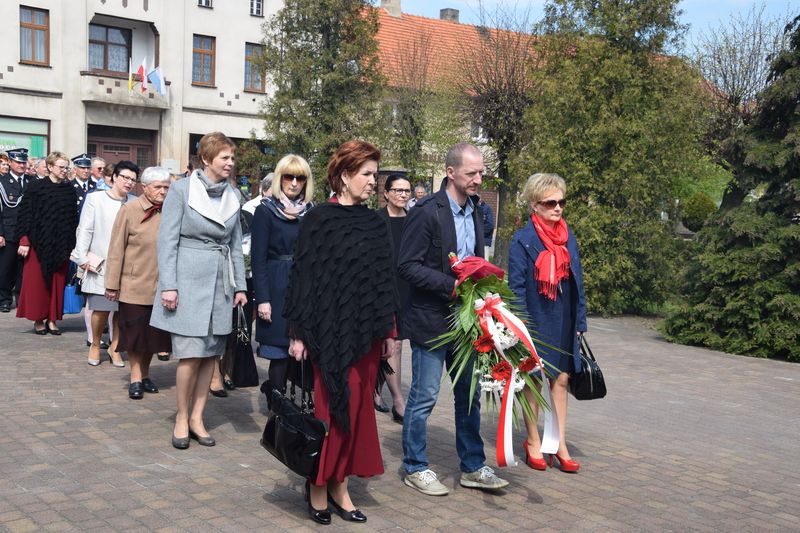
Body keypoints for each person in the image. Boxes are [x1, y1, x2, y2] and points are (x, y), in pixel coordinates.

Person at [284, 140, 398, 525]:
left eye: (375, 175)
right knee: (330, 410)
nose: (373, 182)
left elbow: (385, 281)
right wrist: (297, 332)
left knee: (360, 410)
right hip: (326, 332)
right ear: (345, 176)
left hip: (364, 334)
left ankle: (340, 486)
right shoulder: (319, 220)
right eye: (366, 174)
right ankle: (318, 485)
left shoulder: (375, 222)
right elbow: (304, 277)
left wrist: (388, 331)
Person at [398, 142, 508, 496]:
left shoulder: (477, 209)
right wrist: (454, 285)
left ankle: (473, 466)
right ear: (450, 172)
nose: (479, 179)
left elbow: (475, 260)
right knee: (425, 394)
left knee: (469, 395)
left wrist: (483, 292)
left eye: (481, 172)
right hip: (431, 320)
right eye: (471, 173)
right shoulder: (427, 211)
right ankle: (415, 466)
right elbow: (408, 266)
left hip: (467, 322)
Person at [150, 132, 247, 450]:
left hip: (220, 283)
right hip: (188, 280)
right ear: (206, 159)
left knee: (211, 357)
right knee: (190, 356)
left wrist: (240, 287)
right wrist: (169, 285)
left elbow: (234, 245)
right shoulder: (180, 190)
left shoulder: (234, 195)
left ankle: (198, 418)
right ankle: (181, 417)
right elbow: (167, 241)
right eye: (225, 157)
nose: (230, 163)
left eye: (232, 158)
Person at [508, 173, 587, 473]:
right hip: (535, 318)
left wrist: (580, 320)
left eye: (561, 202)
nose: (558, 208)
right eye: (550, 202)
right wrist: (519, 324)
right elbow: (515, 286)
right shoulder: (522, 240)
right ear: (535, 205)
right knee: (534, 379)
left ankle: (559, 443)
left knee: (562, 380)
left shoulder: (569, 237)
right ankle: (532, 440)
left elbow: (579, 282)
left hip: (563, 317)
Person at [104, 166, 173, 400]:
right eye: (158, 187)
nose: (163, 192)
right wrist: (112, 284)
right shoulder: (130, 210)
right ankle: (135, 377)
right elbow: (116, 248)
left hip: (162, 285)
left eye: (166, 187)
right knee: (134, 334)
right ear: (144, 187)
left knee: (154, 336)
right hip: (133, 284)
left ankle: (145, 374)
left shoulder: (172, 210)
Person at [252, 156, 313, 394]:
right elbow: (258, 259)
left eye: (300, 177)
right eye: (289, 176)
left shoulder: (311, 211)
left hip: (304, 286)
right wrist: (263, 299)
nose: (295, 183)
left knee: (303, 350)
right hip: (276, 286)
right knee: (279, 352)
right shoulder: (265, 211)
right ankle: (276, 407)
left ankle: (296, 410)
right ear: (280, 178)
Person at [72, 160, 138, 366]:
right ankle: (94, 344)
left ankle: (115, 347)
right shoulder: (96, 199)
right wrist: (81, 256)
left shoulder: (135, 202)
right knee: (100, 308)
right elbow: (86, 229)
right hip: (101, 262)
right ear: (114, 178)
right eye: (125, 177)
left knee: (121, 310)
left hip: (128, 266)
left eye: (133, 180)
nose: (128, 182)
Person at [14, 152, 78, 334]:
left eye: (66, 167)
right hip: (38, 243)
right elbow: (25, 215)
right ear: (50, 167)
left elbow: (73, 220)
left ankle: (52, 319)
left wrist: (72, 245)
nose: (64, 170)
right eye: (61, 167)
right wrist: (24, 241)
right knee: (38, 284)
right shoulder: (36, 187)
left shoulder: (69, 190)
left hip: (61, 244)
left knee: (57, 283)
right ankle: (38, 319)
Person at [374, 173, 411, 423]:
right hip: (381, 288)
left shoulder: (415, 220)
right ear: (386, 193)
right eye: (397, 190)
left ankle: (377, 389)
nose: (403, 195)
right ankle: (398, 400)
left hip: (407, 288)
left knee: (395, 343)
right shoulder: (376, 220)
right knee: (390, 343)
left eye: (406, 191)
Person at [0, 148, 31, 313]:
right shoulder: (2, 181)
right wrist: (0, 233)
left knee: (23, 270)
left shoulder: (31, 181)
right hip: (9, 231)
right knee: (5, 268)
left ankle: (21, 299)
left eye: (24, 162)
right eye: (18, 162)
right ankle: (4, 299)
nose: (22, 165)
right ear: (10, 163)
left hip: (27, 233)